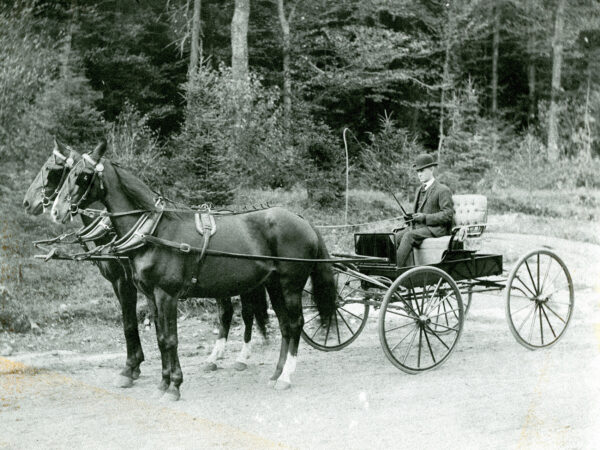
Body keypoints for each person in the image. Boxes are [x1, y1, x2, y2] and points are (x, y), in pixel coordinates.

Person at [395, 153, 454, 267]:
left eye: (422, 170)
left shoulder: (442, 190)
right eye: (418, 171)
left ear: (431, 169)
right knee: (394, 237)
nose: (419, 174)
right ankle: (385, 268)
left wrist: (425, 217)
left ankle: (396, 270)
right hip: (420, 227)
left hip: (437, 229)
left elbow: (448, 214)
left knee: (409, 236)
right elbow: (420, 210)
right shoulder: (419, 190)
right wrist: (411, 217)